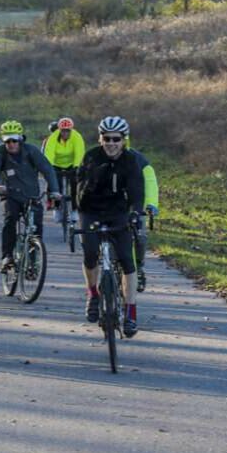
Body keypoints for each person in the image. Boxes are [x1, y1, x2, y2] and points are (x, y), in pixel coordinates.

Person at [76, 116, 145, 337]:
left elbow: (136, 189)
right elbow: (77, 189)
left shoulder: (130, 161)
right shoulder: (91, 157)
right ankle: (93, 294)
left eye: (116, 139)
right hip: (92, 211)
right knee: (89, 254)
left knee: (127, 260)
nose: (111, 143)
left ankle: (131, 312)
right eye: (107, 138)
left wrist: (135, 212)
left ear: (124, 140)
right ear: (100, 138)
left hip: (118, 213)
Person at [0, 120, 60, 272]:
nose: (11, 144)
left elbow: (47, 170)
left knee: (36, 227)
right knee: (10, 218)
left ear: (20, 138)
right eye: (7, 141)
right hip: (10, 194)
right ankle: (7, 256)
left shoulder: (31, 151)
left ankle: (33, 261)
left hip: (31, 195)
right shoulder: (0, 152)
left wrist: (54, 190)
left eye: (14, 140)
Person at [124, 127, 159, 293]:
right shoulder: (100, 158)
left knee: (140, 236)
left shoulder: (139, 160)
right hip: (111, 208)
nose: (113, 143)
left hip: (134, 207)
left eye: (117, 139)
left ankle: (139, 266)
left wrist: (151, 204)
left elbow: (150, 182)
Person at [43, 117, 85, 223]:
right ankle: (57, 209)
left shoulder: (77, 137)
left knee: (75, 185)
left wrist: (76, 166)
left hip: (71, 163)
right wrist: (50, 167)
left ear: (71, 130)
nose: (65, 133)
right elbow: (49, 152)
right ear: (59, 130)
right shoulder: (53, 137)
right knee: (56, 186)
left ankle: (74, 210)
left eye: (68, 131)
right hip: (57, 163)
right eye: (63, 131)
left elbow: (79, 152)